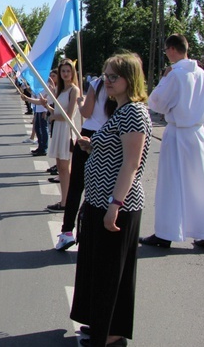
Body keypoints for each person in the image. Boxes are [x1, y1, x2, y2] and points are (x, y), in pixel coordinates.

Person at [70, 52, 152, 347]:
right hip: (100, 202)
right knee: (100, 270)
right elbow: (115, 151)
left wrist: (114, 206)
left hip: (116, 207)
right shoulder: (119, 110)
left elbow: (130, 163)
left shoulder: (133, 112)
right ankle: (101, 327)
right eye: (105, 75)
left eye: (113, 76)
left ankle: (111, 336)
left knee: (111, 274)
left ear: (130, 79)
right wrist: (93, 146)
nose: (107, 80)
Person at [141, 33, 204, 249]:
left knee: (170, 185)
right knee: (199, 185)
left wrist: (163, 79)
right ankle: (203, 232)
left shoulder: (174, 74)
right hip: (197, 133)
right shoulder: (202, 74)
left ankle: (166, 232)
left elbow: (156, 103)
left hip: (177, 134)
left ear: (171, 49)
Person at [55, 72, 115, 251]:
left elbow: (86, 112)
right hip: (112, 136)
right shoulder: (125, 86)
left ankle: (67, 232)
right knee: (106, 186)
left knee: (76, 185)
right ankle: (102, 231)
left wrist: (82, 103)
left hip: (89, 134)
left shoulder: (97, 83)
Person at [44, 59, 80, 212]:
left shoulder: (74, 90)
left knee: (65, 168)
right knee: (60, 167)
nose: (65, 74)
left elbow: (69, 115)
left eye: (68, 71)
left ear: (73, 73)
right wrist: (47, 107)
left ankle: (66, 202)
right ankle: (64, 200)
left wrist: (53, 117)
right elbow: (58, 112)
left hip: (66, 130)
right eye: (63, 71)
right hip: (58, 129)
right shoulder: (61, 90)